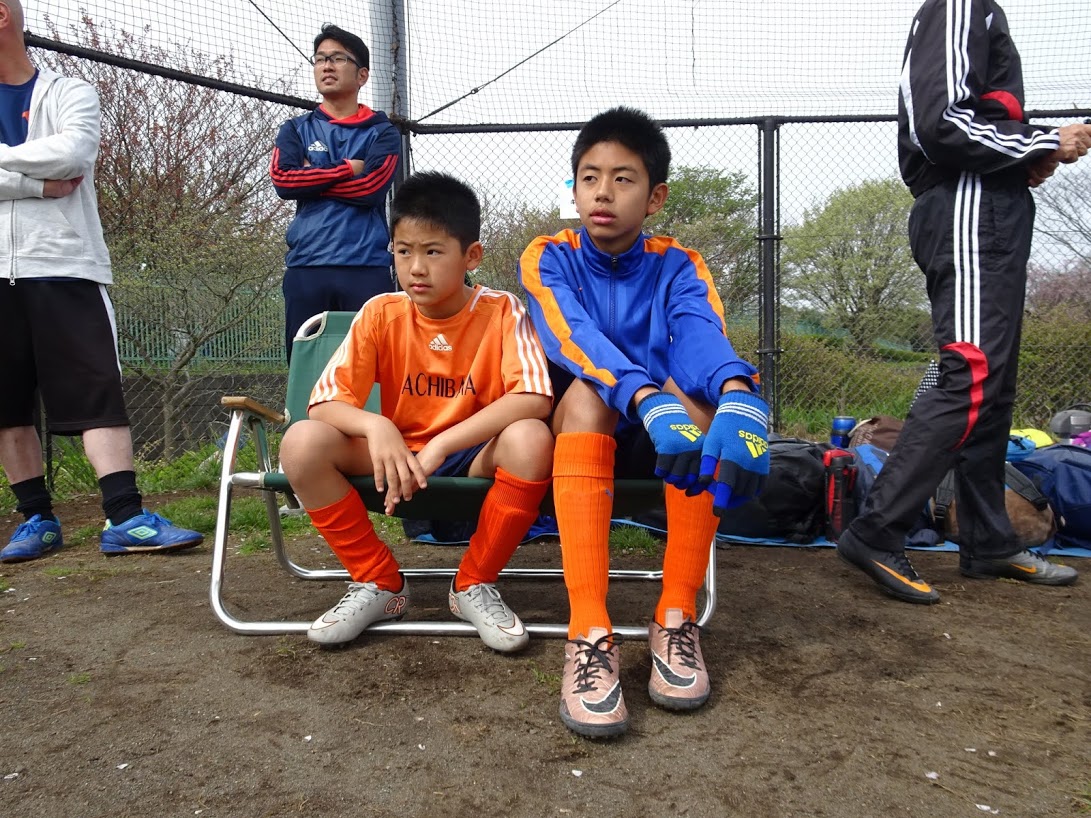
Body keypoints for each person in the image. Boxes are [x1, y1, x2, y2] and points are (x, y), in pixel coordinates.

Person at [519, 107, 769, 738]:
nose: (602, 192)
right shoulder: (548, 256)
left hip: (670, 439)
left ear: (655, 197)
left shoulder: (681, 264)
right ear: (575, 187)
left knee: (702, 403)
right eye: (589, 177)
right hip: (589, 432)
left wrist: (738, 392)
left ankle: (676, 617)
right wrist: (643, 396)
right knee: (587, 394)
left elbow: (699, 333)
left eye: (623, 178)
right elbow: (572, 337)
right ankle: (588, 630)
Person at [836, 0, 1091, 604]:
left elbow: (971, 123)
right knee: (971, 372)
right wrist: (1042, 139)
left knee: (993, 386)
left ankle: (988, 541)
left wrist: (1026, 158)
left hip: (989, 208)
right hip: (969, 210)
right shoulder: (959, 5)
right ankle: (876, 530)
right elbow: (942, 124)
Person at [279, 171, 554, 652]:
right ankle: (379, 581)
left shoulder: (502, 310)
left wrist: (444, 443)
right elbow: (324, 403)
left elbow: (534, 397)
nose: (416, 268)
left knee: (531, 437)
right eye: (403, 251)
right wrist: (376, 425)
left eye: (433, 251)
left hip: (472, 455)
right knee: (301, 443)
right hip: (398, 456)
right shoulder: (380, 312)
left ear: (471, 256)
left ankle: (473, 583)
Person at [0, 0, 203, 563]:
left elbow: (73, 154)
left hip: (65, 263)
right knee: (7, 405)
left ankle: (125, 517)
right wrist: (34, 185)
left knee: (96, 395)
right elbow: (52, 169)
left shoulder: (70, 92)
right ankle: (36, 519)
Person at [270, 23, 401, 361]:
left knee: (370, 369)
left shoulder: (382, 132)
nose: (327, 66)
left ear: (362, 75)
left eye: (338, 58)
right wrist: (346, 168)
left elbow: (371, 189)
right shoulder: (295, 129)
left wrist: (311, 177)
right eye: (320, 59)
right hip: (306, 267)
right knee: (306, 368)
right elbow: (283, 181)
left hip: (365, 268)